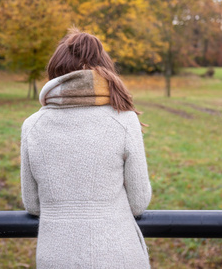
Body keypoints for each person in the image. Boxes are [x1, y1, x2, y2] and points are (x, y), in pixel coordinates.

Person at [20, 27, 152, 268]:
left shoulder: (32, 126)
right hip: (118, 255)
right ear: (105, 70)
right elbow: (139, 201)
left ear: (55, 75)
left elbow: (32, 204)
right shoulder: (124, 120)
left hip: (56, 258)